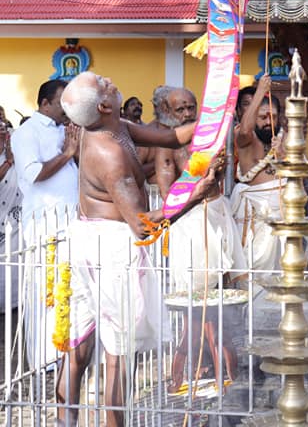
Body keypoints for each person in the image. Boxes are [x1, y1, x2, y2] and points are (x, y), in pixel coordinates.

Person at [57, 71, 217, 427]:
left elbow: (171, 137)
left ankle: (63, 421)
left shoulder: (114, 126)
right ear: (103, 104)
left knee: (79, 345)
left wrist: (216, 116)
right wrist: (195, 197)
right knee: (117, 352)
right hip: (110, 249)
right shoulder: (110, 152)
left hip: (88, 240)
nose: (109, 79)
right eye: (101, 83)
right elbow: (144, 225)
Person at [155, 87, 245, 393]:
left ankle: (209, 372)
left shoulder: (210, 137)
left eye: (191, 107)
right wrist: (199, 188)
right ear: (167, 112)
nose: (188, 114)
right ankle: (215, 375)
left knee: (220, 299)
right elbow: (169, 198)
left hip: (218, 213)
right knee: (201, 306)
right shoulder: (166, 147)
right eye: (180, 109)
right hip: (191, 223)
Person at [10, 79, 79, 368]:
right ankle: (45, 359)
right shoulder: (27, 133)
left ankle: (68, 350)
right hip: (44, 224)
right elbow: (34, 173)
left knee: (71, 289)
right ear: (45, 103)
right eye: (62, 102)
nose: (67, 107)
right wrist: (67, 154)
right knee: (45, 290)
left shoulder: (67, 129)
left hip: (70, 221)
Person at [230, 74, 284, 282]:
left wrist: (284, 155)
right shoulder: (245, 137)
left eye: (273, 116)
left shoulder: (282, 137)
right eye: (263, 117)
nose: (268, 122)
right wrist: (260, 91)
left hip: (282, 212)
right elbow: (245, 128)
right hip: (256, 213)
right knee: (253, 266)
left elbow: (299, 170)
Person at [0, 120, 22, 309]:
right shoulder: (9, 158)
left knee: (12, 265)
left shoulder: (16, 151)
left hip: (14, 223)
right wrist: (8, 162)